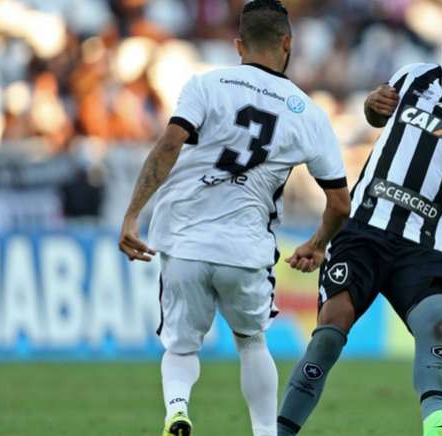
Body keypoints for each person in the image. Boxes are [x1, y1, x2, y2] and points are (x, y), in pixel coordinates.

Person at [277, 17, 442, 436]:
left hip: (425, 248)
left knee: (437, 323)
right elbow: (375, 115)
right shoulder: (412, 77)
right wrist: (372, 105)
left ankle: (437, 423)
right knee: (329, 335)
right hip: (363, 232)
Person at [117, 1, 351, 435]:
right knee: (251, 341)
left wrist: (132, 215)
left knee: (182, 347)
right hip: (245, 248)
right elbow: (339, 203)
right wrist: (317, 243)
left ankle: (178, 409)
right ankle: (265, 432)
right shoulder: (309, 113)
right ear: (287, 43)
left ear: (238, 44)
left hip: (183, 239)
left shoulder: (205, 85)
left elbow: (168, 145)